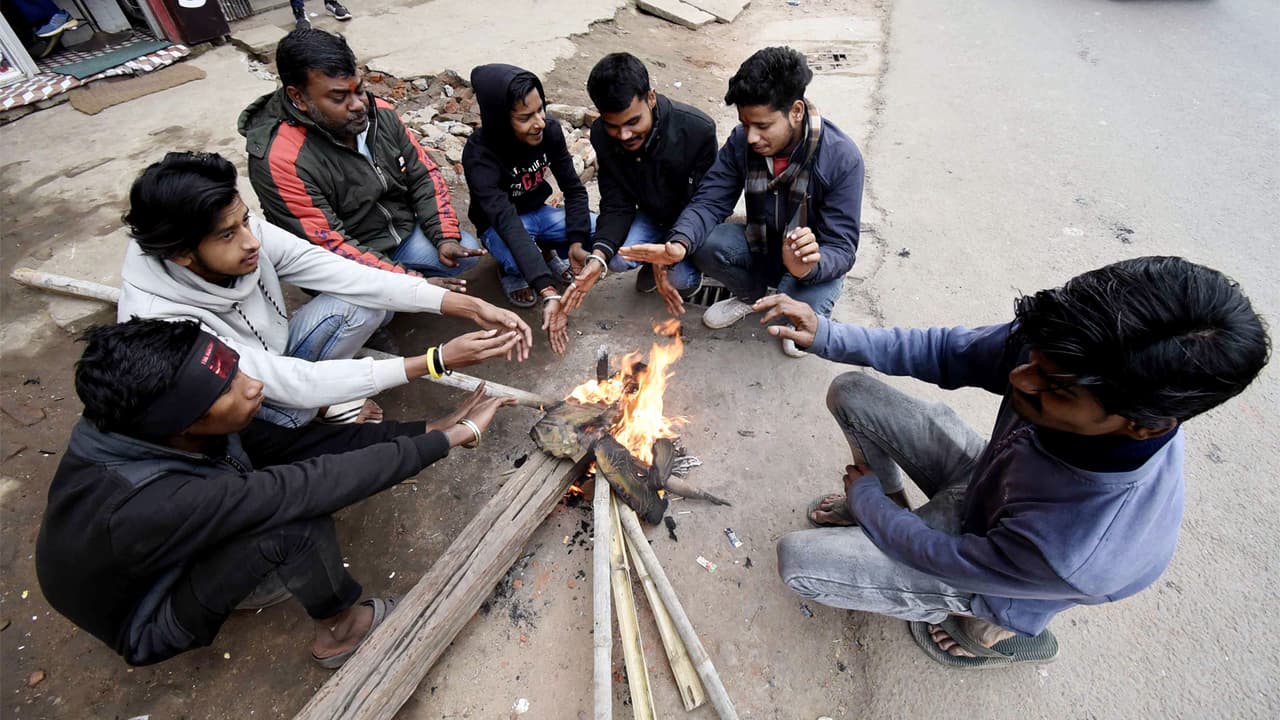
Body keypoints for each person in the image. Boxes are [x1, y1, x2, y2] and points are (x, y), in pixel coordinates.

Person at [756, 256, 1270, 668]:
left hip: (999, 567)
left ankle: (995, 631)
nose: (1021, 378)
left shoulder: (1080, 547)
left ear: (1140, 424)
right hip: (992, 483)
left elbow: (949, 561)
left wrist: (868, 506)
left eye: (1054, 388)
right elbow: (949, 351)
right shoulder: (1066, 352)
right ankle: (891, 522)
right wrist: (828, 334)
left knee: (798, 562)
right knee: (852, 391)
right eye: (1034, 359)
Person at [35, 318, 514, 667]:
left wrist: (427, 428)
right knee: (293, 525)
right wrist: (455, 437)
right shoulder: (151, 502)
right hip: (146, 609)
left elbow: (301, 448)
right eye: (229, 388)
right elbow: (306, 486)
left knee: (276, 455)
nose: (254, 386)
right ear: (182, 424)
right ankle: (340, 634)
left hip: (154, 552)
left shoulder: (152, 420)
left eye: (238, 371)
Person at [117, 152, 531, 428]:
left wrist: (462, 303)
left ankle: (330, 394)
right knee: (292, 418)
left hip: (277, 356)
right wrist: (435, 360)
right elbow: (282, 383)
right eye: (228, 234)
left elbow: (344, 273)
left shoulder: (243, 233)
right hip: (241, 398)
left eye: (246, 220)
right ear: (181, 254)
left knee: (365, 301)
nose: (251, 241)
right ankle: (323, 409)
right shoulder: (159, 320)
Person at [620, 46, 864, 358]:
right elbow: (710, 199)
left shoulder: (842, 158)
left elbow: (842, 248)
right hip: (763, 244)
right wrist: (678, 244)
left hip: (811, 263)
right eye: (745, 124)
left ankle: (798, 293)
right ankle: (752, 295)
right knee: (704, 241)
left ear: (796, 111)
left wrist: (811, 265)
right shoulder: (741, 142)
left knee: (798, 326)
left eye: (762, 126)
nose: (750, 137)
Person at [240, 29, 484, 282]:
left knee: (462, 250)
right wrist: (413, 284)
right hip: (338, 262)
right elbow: (329, 248)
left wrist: (444, 236)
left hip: (398, 235)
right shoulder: (280, 159)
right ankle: (384, 291)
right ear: (298, 97)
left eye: (359, 90)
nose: (358, 105)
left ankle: (394, 279)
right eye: (339, 97)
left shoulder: (381, 113)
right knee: (370, 310)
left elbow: (423, 175)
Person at [559, 52, 716, 316]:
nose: (624, 135)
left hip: (689, 222)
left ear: (651, 98)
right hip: (651, 216)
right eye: (614, 126)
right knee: (615, 258)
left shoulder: (697, 130)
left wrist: (669, 251)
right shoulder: (602, 135)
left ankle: (688, 268)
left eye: (633, 122)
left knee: (681, 281)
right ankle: (649, 262)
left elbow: (706, 203)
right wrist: (598, 256)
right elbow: (615, 201)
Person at [462, 63, 594, 353]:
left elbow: (573, 189)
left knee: (595, 231)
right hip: (501, 224)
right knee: (514, 255)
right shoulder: (479, 156)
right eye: (526, 117)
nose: (540, 122)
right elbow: (507, 223)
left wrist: (576, 241)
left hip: (540, 212)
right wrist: (548, 291)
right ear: (499, 120)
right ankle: (515, 272)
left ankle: (546, 253)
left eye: (540, 109)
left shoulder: (550, 132)